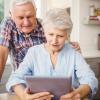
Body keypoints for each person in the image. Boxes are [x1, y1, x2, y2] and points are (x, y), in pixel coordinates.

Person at [6, 8, 98, 100]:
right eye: (50, 34)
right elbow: (15, 79)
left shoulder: (73, 52)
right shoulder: (33, 52)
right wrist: (23, 95)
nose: (54, 41)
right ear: (44, 32)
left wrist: (78, 94)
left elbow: (90, 79)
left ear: (67, 35)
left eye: (60, 36)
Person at [0, 0, 80, 80]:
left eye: (30, 16)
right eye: (21, 18)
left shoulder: (45, 26)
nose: (26, 22)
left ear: (36, 12)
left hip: (44, 81)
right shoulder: (8, 23)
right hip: (20, 81)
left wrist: (71, 47)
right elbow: (2, 55)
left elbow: (61, 46)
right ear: (11, 15)